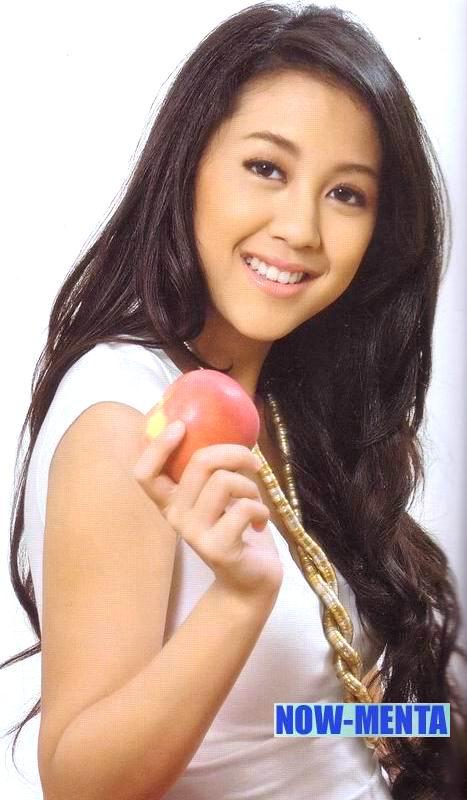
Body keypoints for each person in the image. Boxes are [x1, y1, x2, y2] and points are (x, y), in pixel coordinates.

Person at [1, 3, 466, 798]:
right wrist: (237, 601)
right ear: (189, 165)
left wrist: (429, 731)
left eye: (345, 193)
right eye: (266, 168)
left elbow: (294, 726)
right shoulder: (126, 416)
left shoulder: (284, 407)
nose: (301, 228)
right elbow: (78, 785)